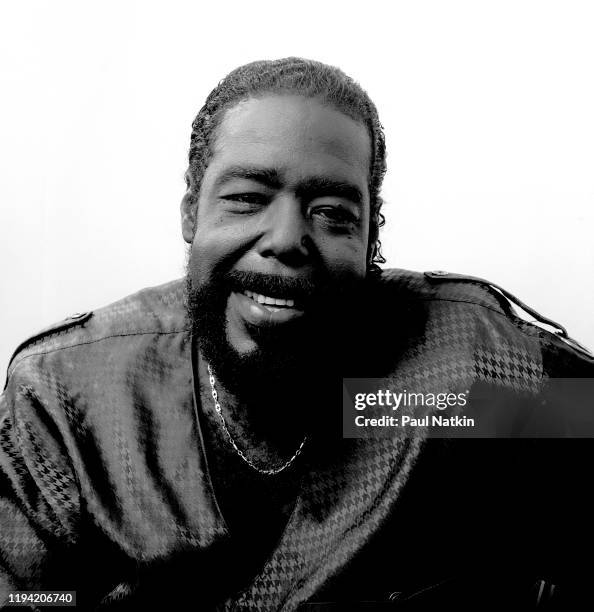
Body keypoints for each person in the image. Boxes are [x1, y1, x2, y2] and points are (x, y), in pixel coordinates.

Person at [1, 58, 593, 611]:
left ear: (370, 239)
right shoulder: (70, 398)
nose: (286, 238)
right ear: (191, 211)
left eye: (333, 213)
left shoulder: (458, 376)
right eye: (246, 199)